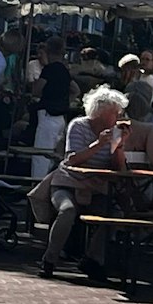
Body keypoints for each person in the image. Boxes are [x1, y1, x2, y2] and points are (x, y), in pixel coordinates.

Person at [35, 86, 129, 280]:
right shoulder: (78, 126)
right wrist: (98, 144)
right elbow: (72, 160)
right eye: (115, 112)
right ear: (101, 113)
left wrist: (119, 147)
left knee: (114, 216)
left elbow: (118, 169)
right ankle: (49, 259)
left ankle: (92, 259)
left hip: (95, 186)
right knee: (67, 210)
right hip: (68, 181)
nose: (119, 117)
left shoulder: (115, 132)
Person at [30, 35, 74, 178]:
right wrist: (66, 100)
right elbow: (76, 89)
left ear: (48, 50)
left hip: (48, 116)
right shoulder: (65, 70)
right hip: (61, 117)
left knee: (41, 157)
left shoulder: (49, 69)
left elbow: (37, 90)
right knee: (55, 158)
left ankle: (36, 188)